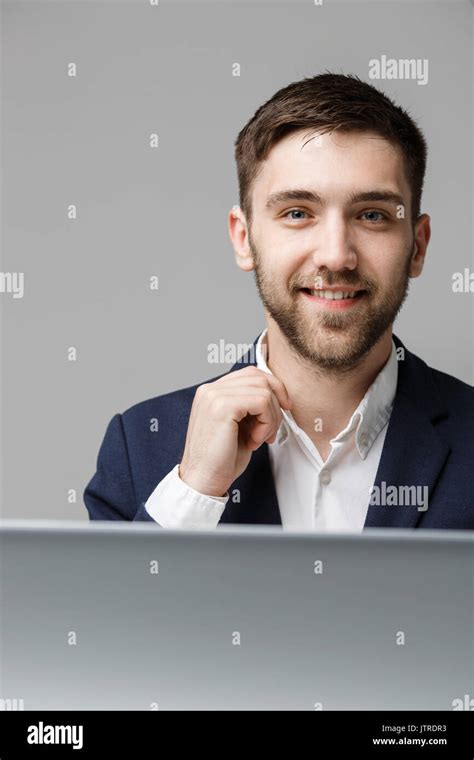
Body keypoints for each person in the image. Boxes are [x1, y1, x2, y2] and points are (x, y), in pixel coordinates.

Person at [84, 73, 474, 531]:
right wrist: (194, 492)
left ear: (418, 245)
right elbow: (119, 605)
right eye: (297, 213)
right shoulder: (140, 448)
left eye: (373, 215)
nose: (335, 255)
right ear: (244, 238)